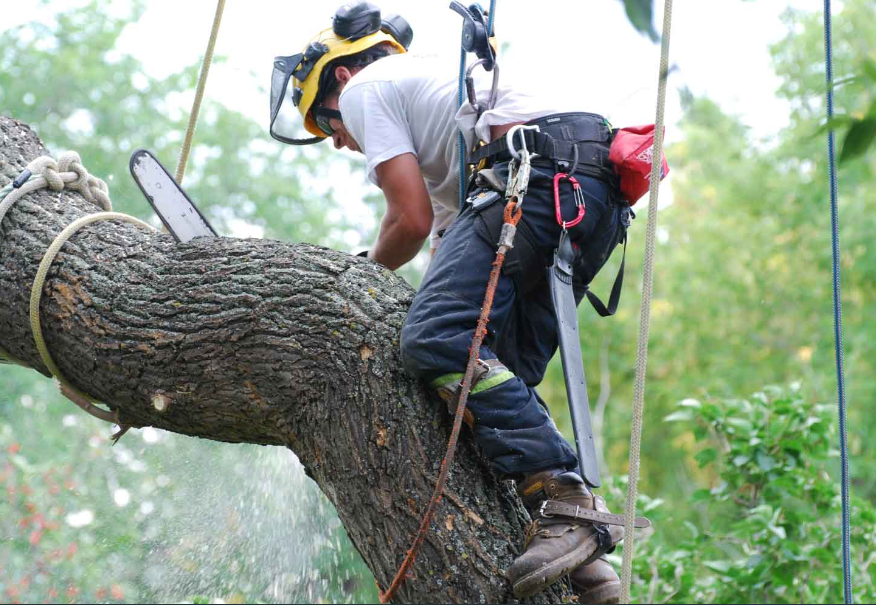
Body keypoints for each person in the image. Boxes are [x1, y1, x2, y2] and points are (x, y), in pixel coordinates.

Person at [270, 4, 633, 602]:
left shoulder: (367, 87)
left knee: (434, 341)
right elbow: (442, 241)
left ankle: (569, 498)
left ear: (337, 78)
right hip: (588, 190)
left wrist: (352, 280)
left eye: (328, 126)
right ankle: (585, 563)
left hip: (534, 175)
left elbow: (407, 221)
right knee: (485, 384)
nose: (339, 142)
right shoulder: (442, 105)